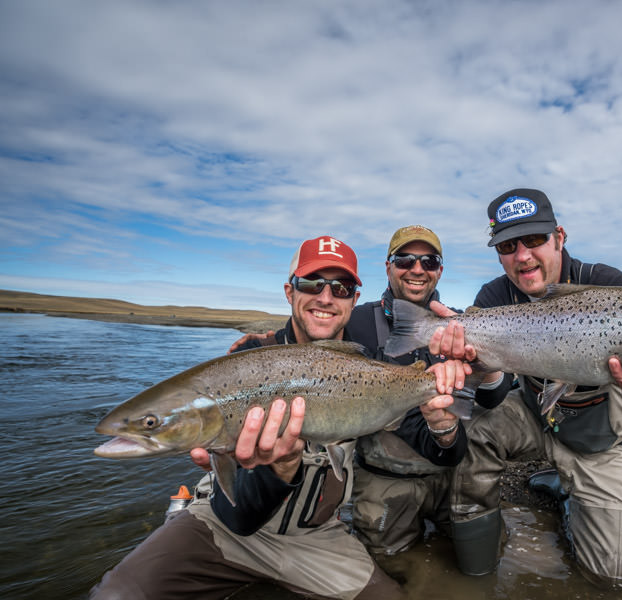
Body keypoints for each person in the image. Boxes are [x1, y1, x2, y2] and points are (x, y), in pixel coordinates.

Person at [91, 235, 468, 600]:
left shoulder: (371, 369)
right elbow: (238, 518)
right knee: (116, 595)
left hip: (317, 538)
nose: (325, 296)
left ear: (353, 299)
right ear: (290, 292)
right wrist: (280, 468)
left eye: (340, 288)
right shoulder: (247, 359)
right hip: (223, 527)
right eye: (311, 283)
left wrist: (444, 426)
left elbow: (443, 454)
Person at [429, 189, 622, 588]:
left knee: (611, 582)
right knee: (475, 429)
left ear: (560, 237)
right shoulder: (494, 298)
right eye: (507, 245)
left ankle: (569, 488)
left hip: (604, 440)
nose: (522, 256)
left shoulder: (611, 285)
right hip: (538, 416)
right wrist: (483, 370)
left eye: (534, 240)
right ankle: (476, 572)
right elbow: (492, 398)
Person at [231, 226, 507, 556]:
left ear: (440, 270)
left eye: (428, 261)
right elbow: (309, 340)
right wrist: (254, 349)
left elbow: (491, 397)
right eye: (405, 259)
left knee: (484, 554)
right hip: (385, 476)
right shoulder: (356, 322)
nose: (416, 269)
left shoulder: (458, 325)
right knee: (397, 566)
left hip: (454, 462)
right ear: (388, 266)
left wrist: (485, 370)